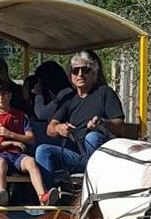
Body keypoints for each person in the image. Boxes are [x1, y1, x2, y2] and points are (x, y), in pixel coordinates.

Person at [35, 51, 125, 189]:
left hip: (101, 156)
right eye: (75, 71)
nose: (80, 74)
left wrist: (102, 122)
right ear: (70, 76)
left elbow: (119, 125)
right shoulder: (68, 99)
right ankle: (50, 196)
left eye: (86, 70)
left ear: (94, 74)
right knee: (42, 150)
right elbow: (50, 128)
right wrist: (59, 128)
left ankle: (94, 187)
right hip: (78, 156)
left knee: (92, 137)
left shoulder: (104, 93)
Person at [0, 77, 58, 207]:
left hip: (17, 156)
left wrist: (11, 135)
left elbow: (31, 139)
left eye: (4, 94)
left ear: (10, 95)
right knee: (1, 163)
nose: (1, 98)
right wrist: (10, 143)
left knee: (31, 162)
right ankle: (2, 196)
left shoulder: (21, 116)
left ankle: (42, 197)